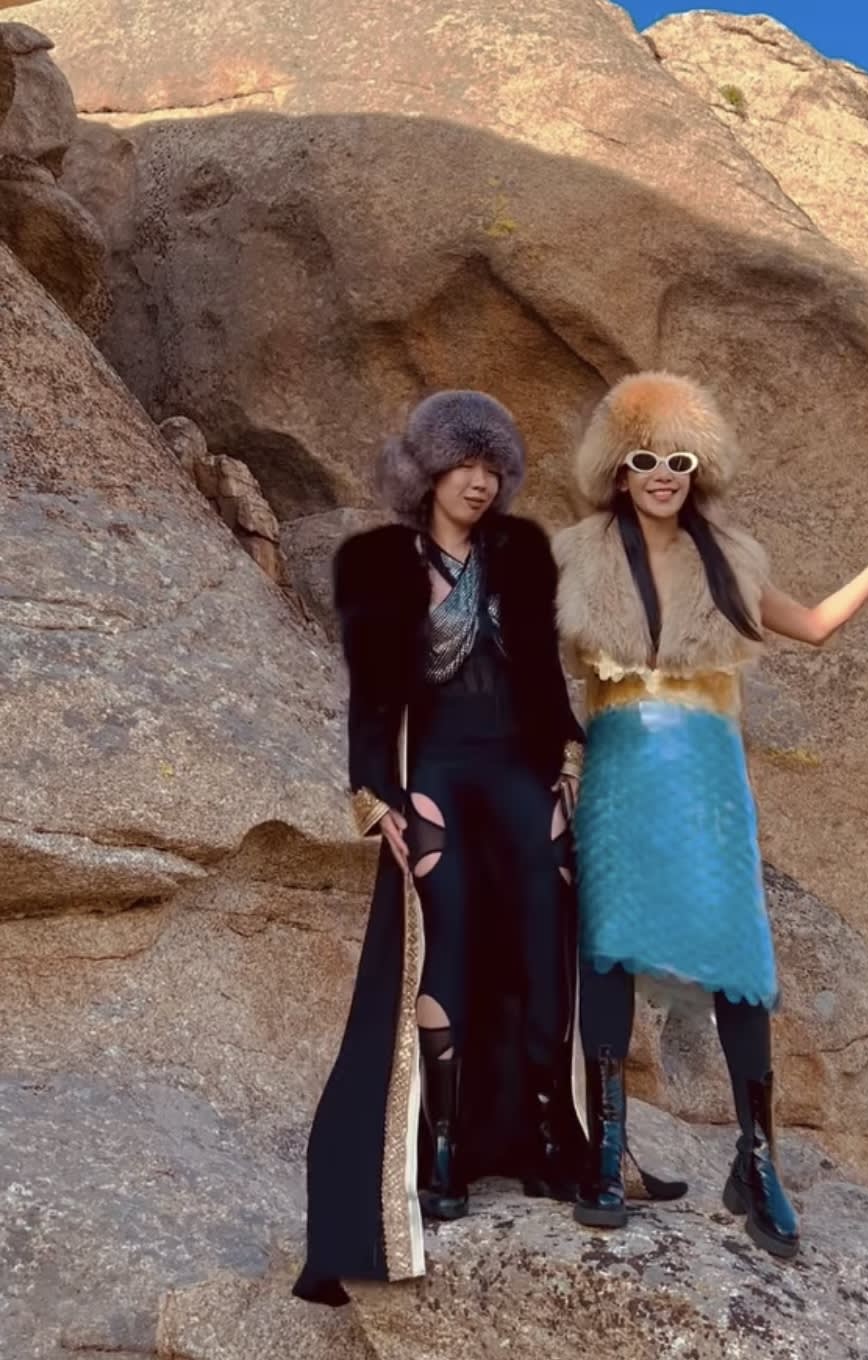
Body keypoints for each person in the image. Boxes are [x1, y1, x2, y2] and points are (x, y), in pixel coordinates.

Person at [553, 372, 868, 1258]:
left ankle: (757, 1159)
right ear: (619, 469)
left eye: (677, 461)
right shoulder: (574, 557)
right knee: (607, 945)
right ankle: (605, 1149)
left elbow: (813, 625)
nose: (661, 475)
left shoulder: (730, 558)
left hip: (708, 773)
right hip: (618, 766)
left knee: (738, 955)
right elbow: (519, 652)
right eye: (645, 459)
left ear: (697, 469)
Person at [295, 390, 586, 1303]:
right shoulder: (378, 561)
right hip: (437, 776)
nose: (480, 481)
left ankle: (547, 1136)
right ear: (426, 470)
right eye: (464, 463)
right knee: (445, 946)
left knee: (544, 941)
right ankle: (445, 1151)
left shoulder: (521, 551)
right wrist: (371, 793)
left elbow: (542, 667)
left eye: (494, 466)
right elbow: (371, 691)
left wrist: (567, 758)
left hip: (518, 770)